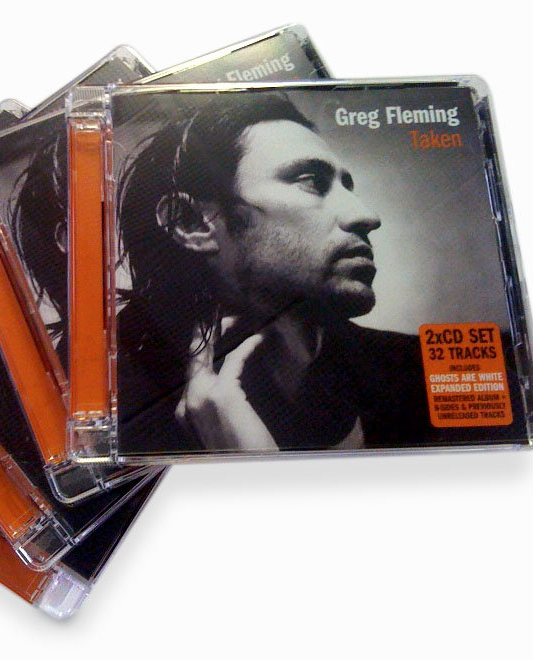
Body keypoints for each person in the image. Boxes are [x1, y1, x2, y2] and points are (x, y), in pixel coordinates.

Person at [114, 93, 435, 453]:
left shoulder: (421, 372)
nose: (366, 216)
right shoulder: (119, 408)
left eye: (348, 187)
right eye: (312, 181)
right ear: (191, 223)